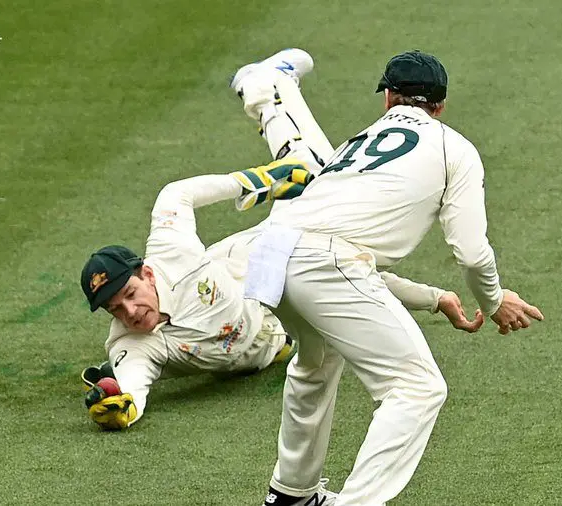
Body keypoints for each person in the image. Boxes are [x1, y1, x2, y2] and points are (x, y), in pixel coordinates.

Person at [228, 48, 545, 505]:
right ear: (440, 105)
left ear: (389, 99)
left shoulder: (355, 144)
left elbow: (333, 255)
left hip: (271, 253)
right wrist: (493, 302)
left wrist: (433, 298)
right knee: (417, 387)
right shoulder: (453, 147)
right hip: (326, 261)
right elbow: (472, 254)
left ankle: (291, 495)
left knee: (315, 363)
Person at [79, 155, 478, 431]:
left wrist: (261, 181)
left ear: (147, 273)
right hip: (270, 335)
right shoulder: (130, 344)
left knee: (337, 249)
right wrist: (120, 410)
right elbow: (133, 392)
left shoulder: (172, 252)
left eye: (130, 293)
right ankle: (270, 93)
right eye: (115, 309)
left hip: (251, 263)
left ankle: (273, 100)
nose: (130, 311)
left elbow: (174, 194)